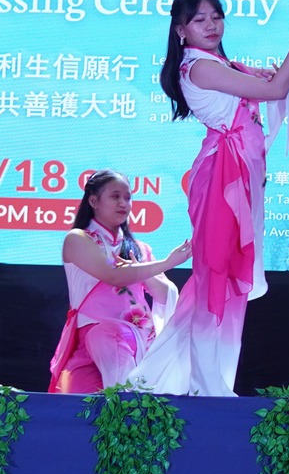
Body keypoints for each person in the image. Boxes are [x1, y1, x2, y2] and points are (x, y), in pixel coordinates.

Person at [131, 0, 289, 396]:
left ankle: (198, 380)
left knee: (224, 280)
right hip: (220, 178)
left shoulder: (222, 64)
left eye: (216, 16)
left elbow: (266, 87)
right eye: (199, 19)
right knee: (214, 278)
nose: (211, 24)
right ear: (181, 30)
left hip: (236, 178)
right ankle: (203, 382)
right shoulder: (200, 67)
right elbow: (275, 90)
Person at [47, 169, 191, 394]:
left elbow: (165, 294)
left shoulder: (140, 249)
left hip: (131, 338)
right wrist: (167, 262)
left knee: (111, 341)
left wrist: (145, 270)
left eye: (128, 197)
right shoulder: (78, 239)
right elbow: (112, 276)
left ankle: (128, 413)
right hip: (88, 337)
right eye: (115, 196)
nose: (124, 203)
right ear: (94, 200)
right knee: (75, 410)